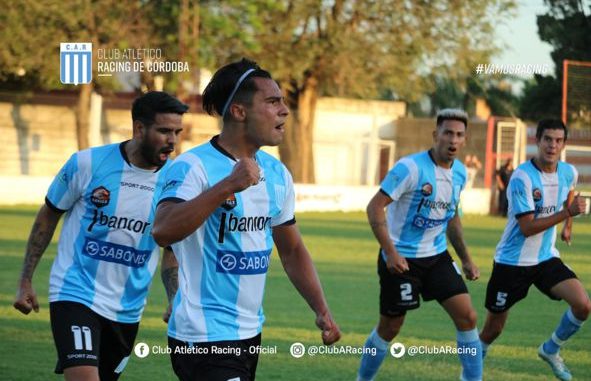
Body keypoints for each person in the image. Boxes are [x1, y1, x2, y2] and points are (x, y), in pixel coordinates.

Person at [152, 58, 341, 381]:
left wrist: (321, 309)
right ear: (239, 111)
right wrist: (228, 185)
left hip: (249, 332)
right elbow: (163, 230)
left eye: (282, 101)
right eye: (272, 101)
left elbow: (292, 250)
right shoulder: (192, 167)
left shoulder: (278, 173)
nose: (284, 110)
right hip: (202, 335)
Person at [13, 91, 188, 381]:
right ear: (140, 128)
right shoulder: (87, 164)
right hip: (75, 292)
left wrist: (175, 297)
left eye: (177, 132)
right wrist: (25, 280)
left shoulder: (177, 180)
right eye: (164, 131)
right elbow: (49, 214)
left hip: (128, 308)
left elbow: (170, 247)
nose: (172, 140)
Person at [357, 109, 482, 381]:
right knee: (390, 327)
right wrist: (390, 252)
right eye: (448, 133)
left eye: (459, 135)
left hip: (437, 257)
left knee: (468, 317)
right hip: (401, 260)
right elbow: (375, 207)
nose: (453, 140)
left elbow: (452, 217)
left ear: (464, 140)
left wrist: (466, 259)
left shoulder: (460, 173)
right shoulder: (410, 168)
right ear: (435, 135)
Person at [479, 119, 589, 381]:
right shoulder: (522, 177)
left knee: (583, 305)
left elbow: (570, 195)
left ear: (564, 144)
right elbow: (528, 227)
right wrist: (566, 214)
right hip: (511, 263)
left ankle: (550, 350)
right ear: (537, 141)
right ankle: (472, 369)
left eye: (558, 140)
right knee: (493, 329)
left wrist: (568, 227)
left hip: (544, 258)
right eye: (547, 139)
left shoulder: (568, 171)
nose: (553, 145)